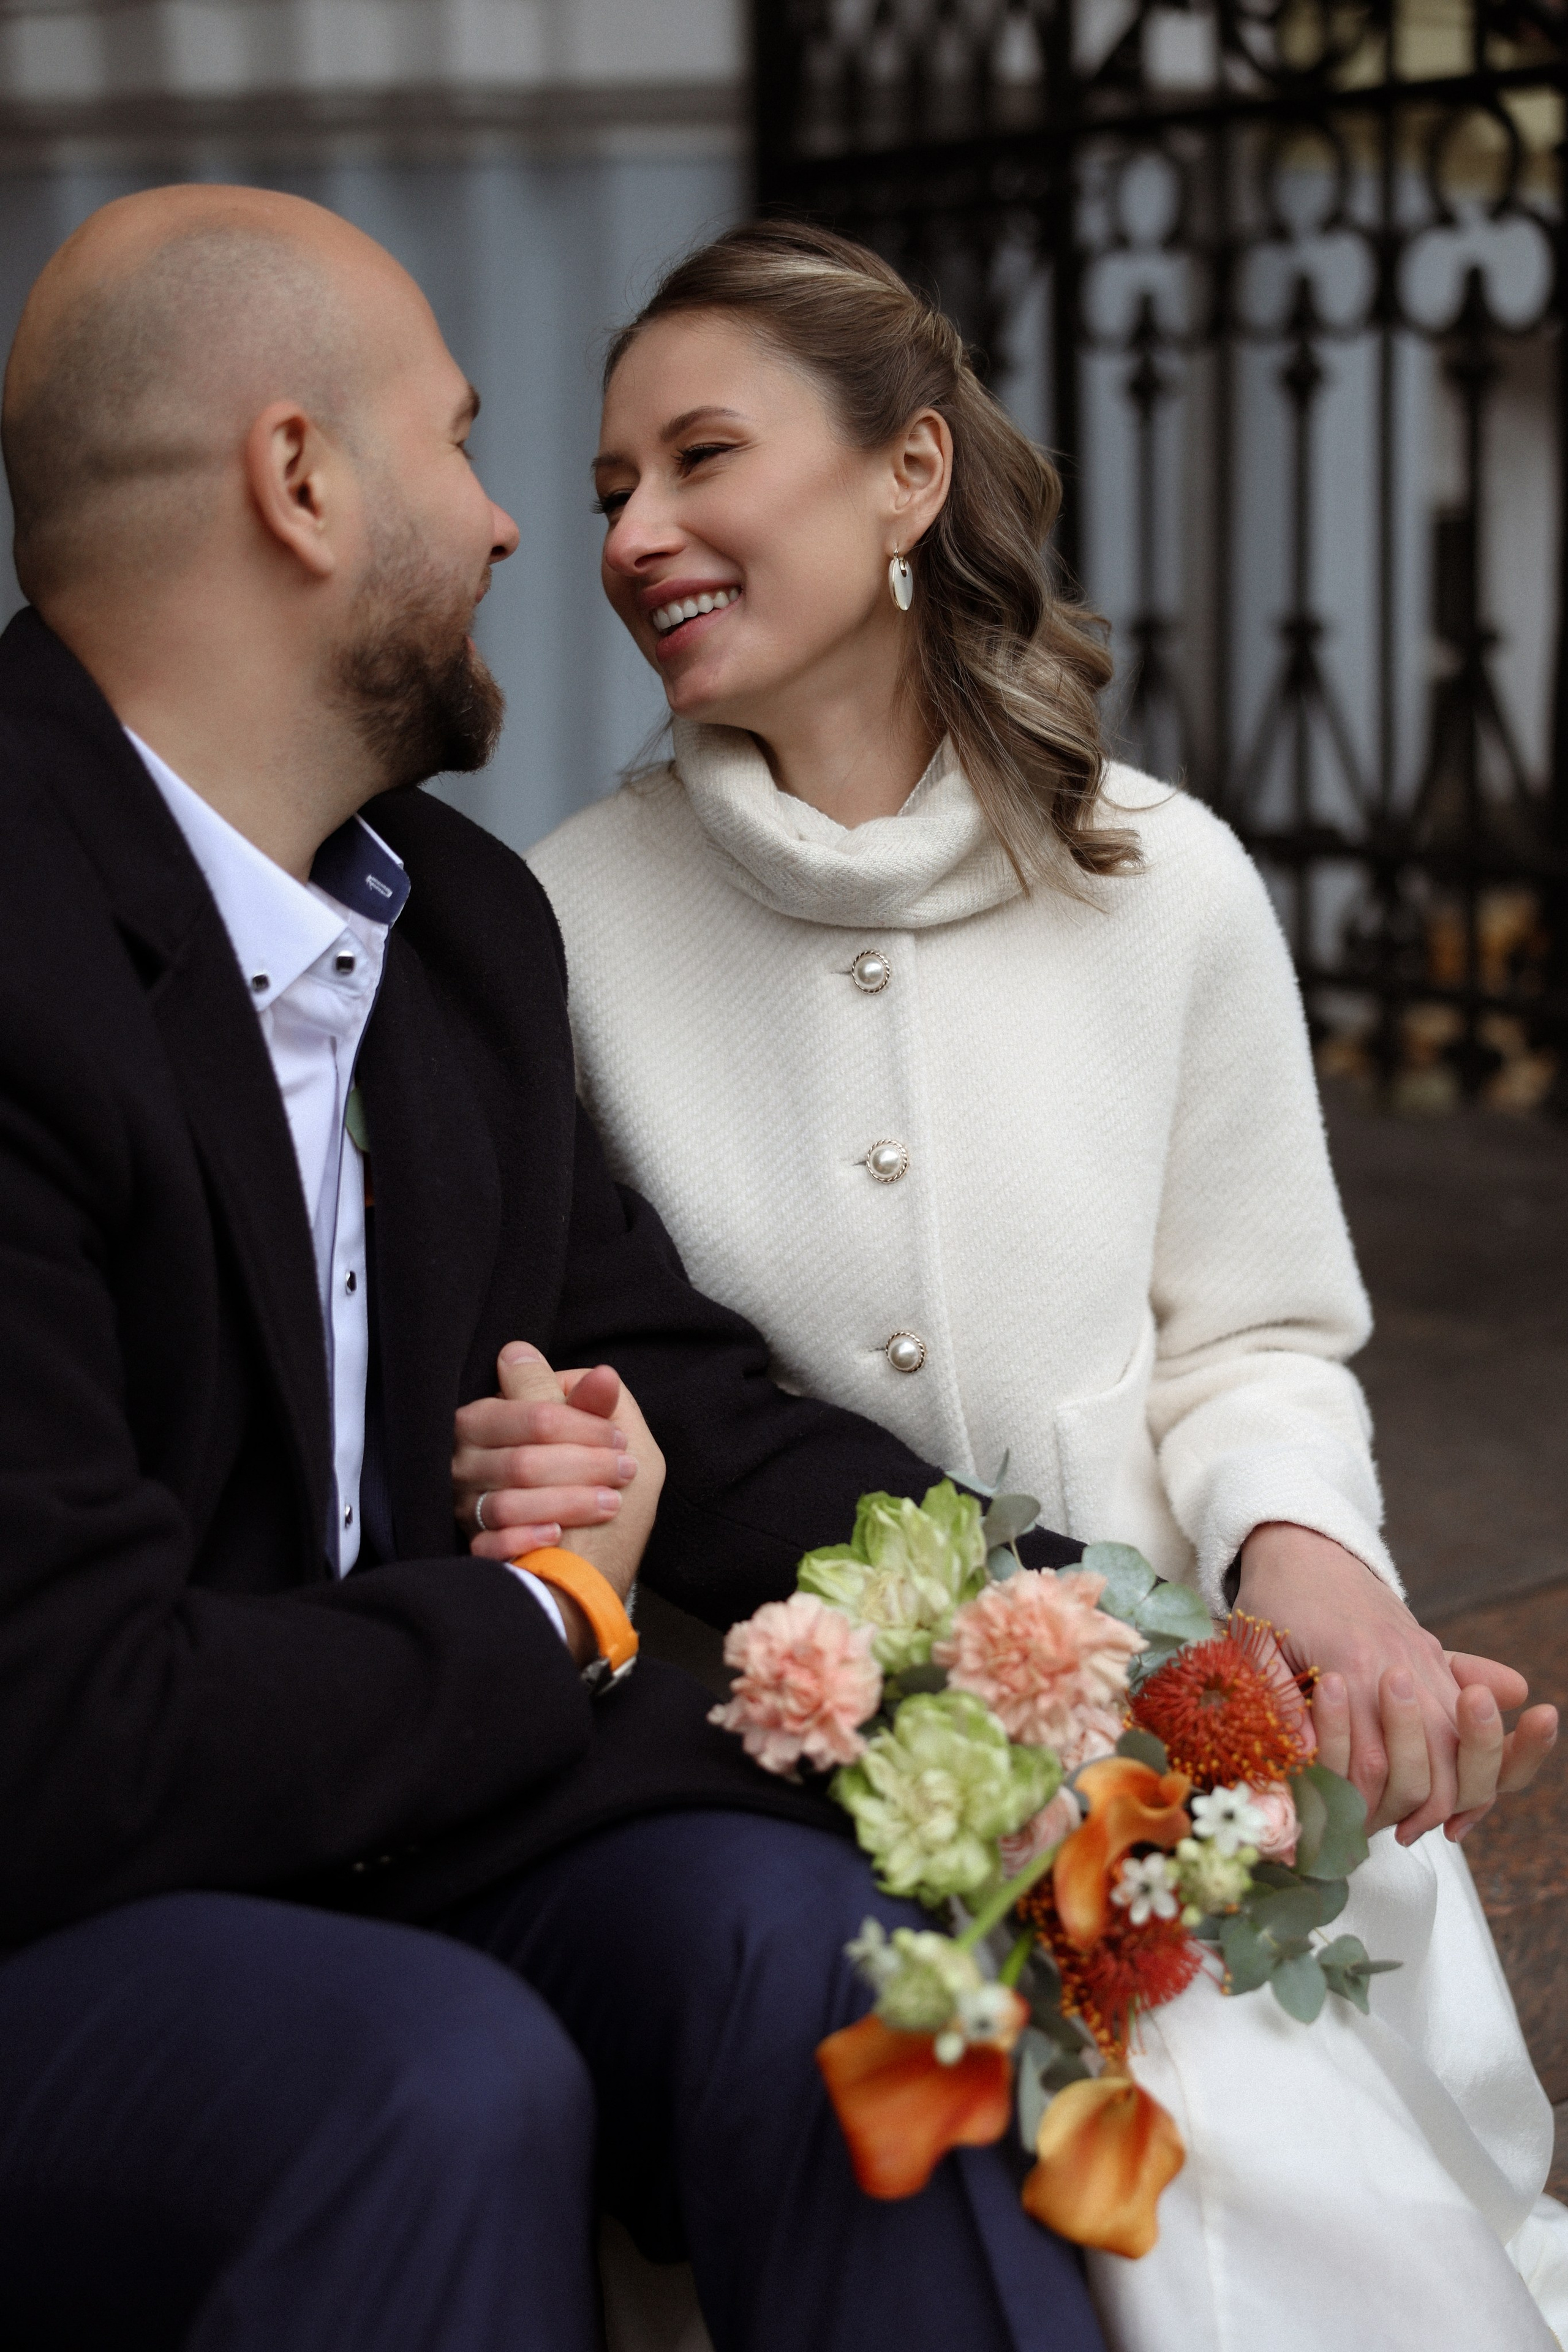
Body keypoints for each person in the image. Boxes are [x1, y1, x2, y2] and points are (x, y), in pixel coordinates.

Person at [0, 186, 1114, 2352]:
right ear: (301, 482)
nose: (522, 530)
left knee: (840, 1959)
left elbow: (664, 1388)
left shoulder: (462, 939)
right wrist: (543, 1608)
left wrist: (1097, 1647)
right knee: (433, 2082)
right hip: (65, 1907)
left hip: (396, 1835)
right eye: (466, 441)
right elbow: (55, 1727)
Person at [502, 221, 1568, 2351]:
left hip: (1191, 1764)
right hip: (810, 1806)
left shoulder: (1164, 880)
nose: (637, 531)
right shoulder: (557, 924)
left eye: (702, 458)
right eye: (614, 485)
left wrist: (1312, 1563)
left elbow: (1257, 1332)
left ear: (908, 477)